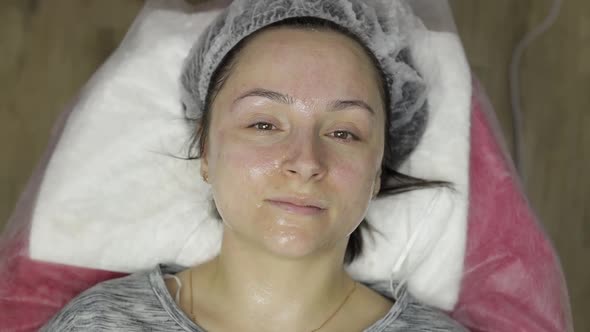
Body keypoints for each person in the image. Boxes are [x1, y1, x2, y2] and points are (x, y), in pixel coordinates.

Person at [42, 0, 467, 331]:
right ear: (206, 152)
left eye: (344, 133)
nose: (305, 162)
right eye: (263, 123)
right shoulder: (100, 324)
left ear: (376, 172)